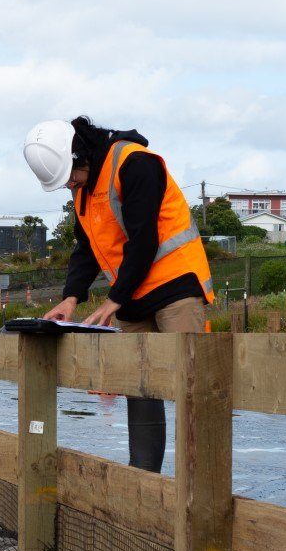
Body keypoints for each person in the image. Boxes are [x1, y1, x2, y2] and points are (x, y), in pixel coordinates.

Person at [22, 117, 214, 472]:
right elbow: (86, 248)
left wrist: (114, 299)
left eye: (70, 176)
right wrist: (71, 297)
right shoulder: (83, 189)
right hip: (133, 294)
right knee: (139, 387)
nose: (70, 185)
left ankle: (201, 484)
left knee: (193, 386)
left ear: (81, 154)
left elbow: (144, 238)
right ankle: (143, 477)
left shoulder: (134, 163)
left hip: (176, 286)